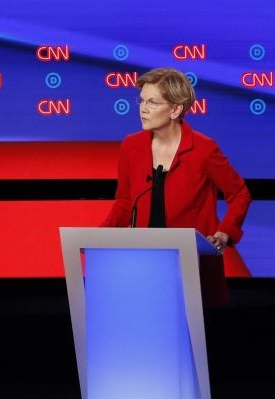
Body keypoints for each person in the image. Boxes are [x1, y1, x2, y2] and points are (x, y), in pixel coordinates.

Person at [101, 67, 252, 305]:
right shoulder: (131, 146)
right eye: (141, 101)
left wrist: (224, 233)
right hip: (147, 263)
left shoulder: (203, 150)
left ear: (175, 109)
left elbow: (240, 194)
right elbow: (124, 203)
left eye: (152, 102)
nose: (143, 108)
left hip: (193, 263)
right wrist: (99, 239)